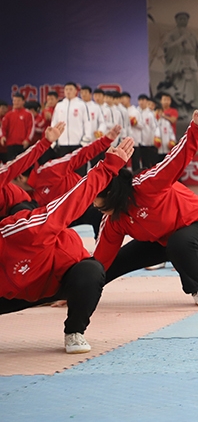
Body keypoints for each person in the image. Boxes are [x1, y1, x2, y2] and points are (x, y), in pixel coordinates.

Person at [0, 137, 134, 354]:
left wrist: (108, 167)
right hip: (14, 293)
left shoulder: (27, 230)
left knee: (91, 271)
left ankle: (74, 332)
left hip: (58, 278)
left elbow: (73, 200)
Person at [92, 97, 198, 308]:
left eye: (97, 202)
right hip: (163, 240)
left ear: (111, 195)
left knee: (180, 243)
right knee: (116, 261)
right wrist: (78, 289)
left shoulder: (147, 184)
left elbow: (177, 158)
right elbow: (101, 258)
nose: (96, 207)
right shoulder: (113, 219)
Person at [26, 126, 123, 239]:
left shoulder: (47, 171)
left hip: (86, 204)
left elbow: (80, 156)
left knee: (101, 216)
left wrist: (105, 141)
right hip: (64, 220)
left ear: (19, 177)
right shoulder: (24, 199)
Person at [1, 123, 65, 218]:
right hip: (6, 215)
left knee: (18, 215)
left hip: (21, 206)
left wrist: (46, 142)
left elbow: (19, 164)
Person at [161, 11, 198, 114]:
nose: (183, 20)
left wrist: (195, 63)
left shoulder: (192, 35)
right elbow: (167, 48)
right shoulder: (172, 34)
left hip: (191, 64)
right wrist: (180, 40)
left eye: (185, 19)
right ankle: (181, 110)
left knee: (192, 89)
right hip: (178, 66)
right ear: (176, 20)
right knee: (179, 90)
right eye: (180, 19)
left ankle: (192, 109)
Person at [51, 82, 91, 157]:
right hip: (62, 144)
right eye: (66, 89)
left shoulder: (81, 104)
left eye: (70, 89)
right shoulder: (59, 105)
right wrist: (54, 141)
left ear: (76, 91)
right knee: (64, 168)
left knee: (79, 168)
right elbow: (54, 122)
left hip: (78, 143)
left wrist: (85, 141)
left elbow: (87, 122)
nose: (68, 91)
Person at [1, 93, 34, 161]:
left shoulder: (28, 114)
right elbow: (3, 127)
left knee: (23, 165)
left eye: (18, 100)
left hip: (22, 144)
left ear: (23, 101)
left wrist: (27, 139)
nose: (16, 102)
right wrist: (2, 136)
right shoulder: (8, 115)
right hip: (10, 144)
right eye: (14, 100)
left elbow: (31, 128)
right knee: (11, 165)